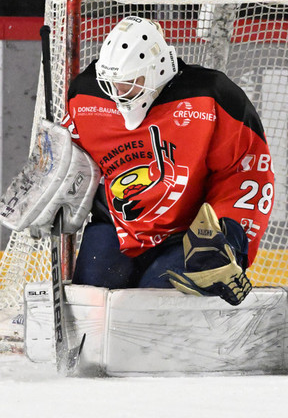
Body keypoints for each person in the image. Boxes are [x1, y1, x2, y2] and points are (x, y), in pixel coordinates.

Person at [60, 16, 274, 305]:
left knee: (157, 310)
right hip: (116, 226)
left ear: (157, 70)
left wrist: (229, 237)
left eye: (130, 83)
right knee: (90, 304)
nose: (119, 93)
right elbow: (71, 158)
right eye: (112, 83)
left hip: (186, 236)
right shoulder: (87, 94)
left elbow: (246, 171)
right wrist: (52, 180)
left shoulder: (211, 96)